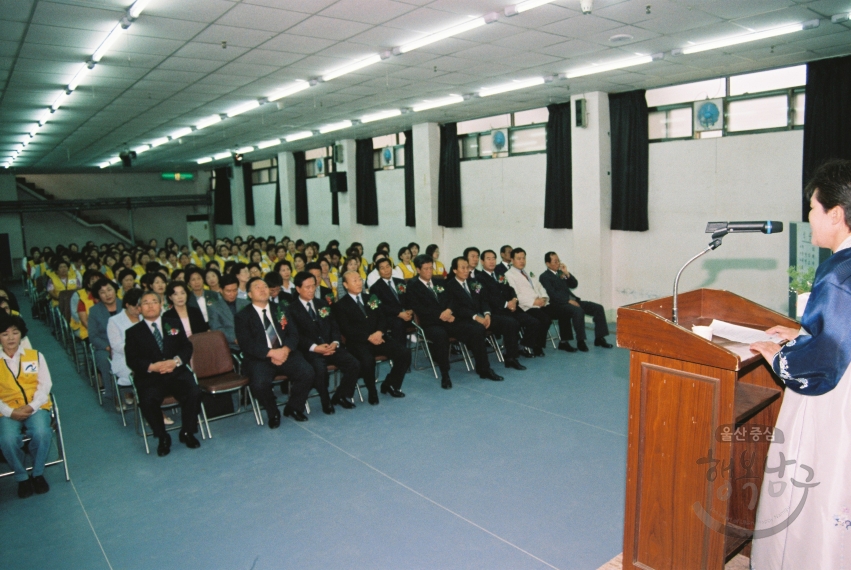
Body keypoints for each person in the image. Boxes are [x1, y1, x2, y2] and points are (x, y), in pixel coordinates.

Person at [749, 160, 851, 569]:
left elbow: (825, 361)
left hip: (836, 399)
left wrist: (780, 355)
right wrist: (802, 333)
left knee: (814, 481)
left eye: (812, 207)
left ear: (836, 214)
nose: (808, 217)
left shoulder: (840, 272)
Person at [405, 254, 502, 389]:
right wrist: (441, 315)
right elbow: (420, 309)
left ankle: (484, 369)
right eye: (425, 269)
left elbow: (452, 299)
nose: (429, 272)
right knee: (441, 336)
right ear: (418, 270)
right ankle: (445, 374)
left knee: (477, 329)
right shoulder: (413, 286)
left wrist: (449, 310)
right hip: (431, 323)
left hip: (449, 319)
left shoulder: (439, 282)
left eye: (430, 268)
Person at [124, 291, 202, 457]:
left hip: (176, 371)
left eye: (154, 301)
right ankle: (162, 437)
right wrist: (152, 367)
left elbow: (186, 347)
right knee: (147, 400)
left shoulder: (173, 323)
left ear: (161, 306)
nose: (150, 305)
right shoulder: (133, 332)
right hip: (150, 377)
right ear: (139, 308)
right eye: (145, 303)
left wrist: (175, 362)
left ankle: (187, 432)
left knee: (194, 392)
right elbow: (132, 359)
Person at [234, 277, 315, 427]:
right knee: (259, 384)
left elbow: (293, 334)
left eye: (265, 286)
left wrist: (284, 350)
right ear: (249, 294)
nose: (263, 289)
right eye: (257, 287)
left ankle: (294, 407)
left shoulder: (281, 309)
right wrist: (271, 353)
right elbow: (246, 344)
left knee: (308, 372)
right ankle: (273, 412)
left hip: (285, 353)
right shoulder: (243, 316)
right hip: (260, 358)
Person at [287, 272, 360, 412]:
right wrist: (315, 347)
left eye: (313, 286)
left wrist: (335, 342)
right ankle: (325, 400)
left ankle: (340, 395)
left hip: (330, 346)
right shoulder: (291, 309)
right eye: (307, 287)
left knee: (354, 363)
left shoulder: (322, 303)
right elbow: (296, 335)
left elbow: (334, 326)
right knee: (320, 369)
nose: (311, 290)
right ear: (298, 289)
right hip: (310, 350)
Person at [335, 271, 410, 403]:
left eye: (359, 279)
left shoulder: (370, 298)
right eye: (354, 281)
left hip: (379, 337)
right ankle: (372, 390)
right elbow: (347, 329)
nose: (359, 283)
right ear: (346, 285)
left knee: (404, 353)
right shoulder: (341, 305)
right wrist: (368, 337)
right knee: (368, 360)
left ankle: (390, 384)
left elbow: (382, 318)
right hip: (359, 342)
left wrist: (380, 332)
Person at [0, 314, 53, 498]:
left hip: (36, 407)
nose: (11, 338)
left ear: (21, 335)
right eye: (5, 334)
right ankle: (22, 476)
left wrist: (31, 407)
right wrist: (9, 411)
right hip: (7, 411)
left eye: (15, 333)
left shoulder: (35, 356)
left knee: (42, 432)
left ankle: (37, 474)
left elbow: (45, 385)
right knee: (6, 439)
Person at [445, 257, 525, 371]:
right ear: (454, 270)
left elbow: (484, 300)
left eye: (467, 267)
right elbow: (457, 308)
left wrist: (487, 314)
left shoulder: (473, 282)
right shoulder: (449, 286)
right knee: (478, 330)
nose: (466, 270)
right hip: (465, 319)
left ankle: (511, 358)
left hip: (482, 316)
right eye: (462, 268)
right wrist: (476, 317)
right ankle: (483, 368)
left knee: (510, 323)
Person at [475, 249, 542, 359]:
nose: (492, 261)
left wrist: (514, 299)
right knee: (512, 323)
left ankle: (522, 346)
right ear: (482, 262)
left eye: (493, 258)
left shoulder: (499, 274)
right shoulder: (478, 278)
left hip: (509, 308)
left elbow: (510, 289)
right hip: (494, 312)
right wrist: (506, 304)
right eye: (488, 259)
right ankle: (511, 356)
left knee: (533, 321)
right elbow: (486, 297)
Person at [539, 252, 612, 350]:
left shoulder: (561, 273)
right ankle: (580, 341)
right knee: (578, 311)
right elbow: (552, 294)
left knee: (598, 308)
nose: (558, 263)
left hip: (572, 300)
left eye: (559, 260)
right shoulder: (544, 277)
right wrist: (568, 300)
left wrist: (567, 273)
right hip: (559, 304)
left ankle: (599, 338)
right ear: (547, 264)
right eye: (555, 261)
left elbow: (574, 284)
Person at [503, 248, 554, 357]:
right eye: (518, 258)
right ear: (512, 260)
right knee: (544, 319)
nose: (522, 261)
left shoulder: (528, 272)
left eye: (523, 258)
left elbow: (540, 286)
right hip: (525, 305)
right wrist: (534, 302)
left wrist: (544, 298)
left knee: (554, 313)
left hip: (539, 303)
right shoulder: (509, 275)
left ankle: (533, 344)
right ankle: (533, 346)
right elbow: (516, 295)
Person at [87, 278, 123, 408]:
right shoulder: (94, 311)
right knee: (104, 360)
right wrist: (108, 347)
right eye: (102, 292)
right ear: (98, 295)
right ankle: (115, 395)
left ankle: (131, 391)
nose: (107, 294)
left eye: (109, 290)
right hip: (105, 346)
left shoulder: (126, 305)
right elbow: (93, 336)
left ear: (115, 290)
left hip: (127, 343)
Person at [107, 289, 144, 411]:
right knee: (144, 372)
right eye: (135, 306)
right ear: (127, 305)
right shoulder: (114, 321)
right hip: (125, 358)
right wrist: (141, 350)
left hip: (148, 355)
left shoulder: (146, 317)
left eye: (141, 306)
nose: (139, 310)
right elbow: (117, 345)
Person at [368, 258, 412, 343]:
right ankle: (401, 352)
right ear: (378, 271)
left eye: (388, 267)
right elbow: (379, 307)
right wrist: (398, 313)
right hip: (390, 317)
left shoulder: (400, 282)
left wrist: (410, 310)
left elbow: (409, 298)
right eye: (382, 268)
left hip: (407, 314)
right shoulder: (375, 288)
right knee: (398, 324)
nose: (386, 270)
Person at [208, 275, 249, 353]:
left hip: (250, 343)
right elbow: (217, 329)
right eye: (228, 291)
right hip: (230, 346)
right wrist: (234, 339)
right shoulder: (214, 307)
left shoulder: (246, 303)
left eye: (235, 290)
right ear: (221, 290)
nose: (232, 294)